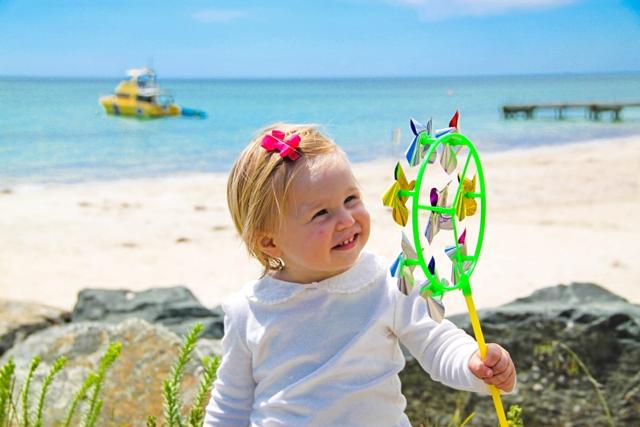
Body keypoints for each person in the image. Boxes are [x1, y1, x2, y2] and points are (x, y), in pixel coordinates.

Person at [204, 124, 516, 426]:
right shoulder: (249, 311)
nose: (346, 220)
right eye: (321, 213)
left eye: (350, 199)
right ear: (269, 242)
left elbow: (436, 340)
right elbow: (230, 406)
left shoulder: (388, 283)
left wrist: (472, 362)